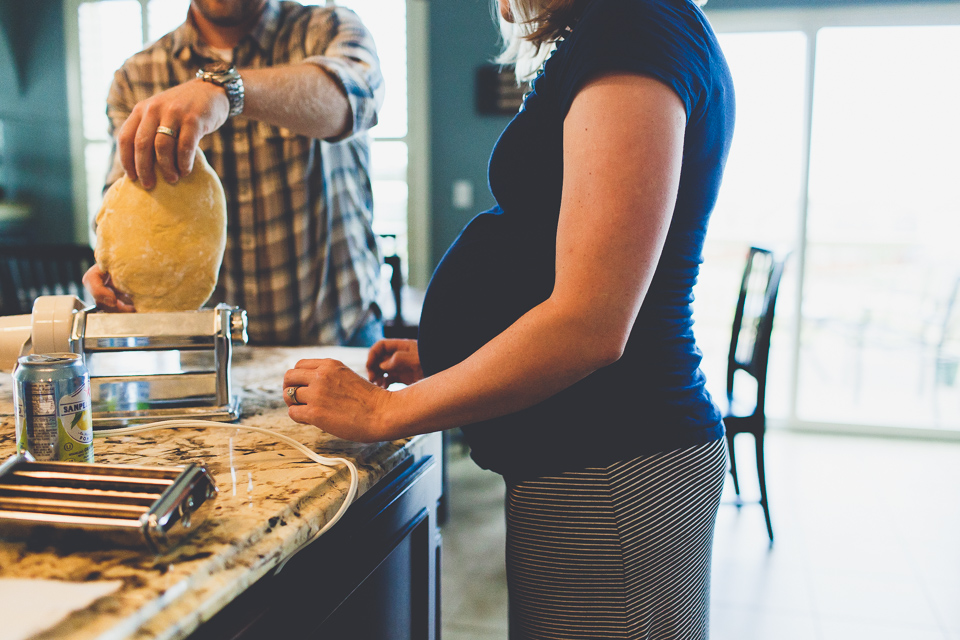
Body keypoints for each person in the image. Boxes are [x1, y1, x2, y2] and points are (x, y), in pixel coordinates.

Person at [283, 0, 734, 637]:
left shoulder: (636, 32)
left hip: (611, 465)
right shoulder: (623, 32)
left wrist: (382, 414)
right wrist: (452, 356)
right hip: (588, 458)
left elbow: (591, 323)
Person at [83, 0, 385, 347]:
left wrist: (225, 89)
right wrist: (110, 270)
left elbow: (355, 99)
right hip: (210, 354)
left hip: (339, 332)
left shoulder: (327, 28)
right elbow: (120, 199)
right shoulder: (136, 76)